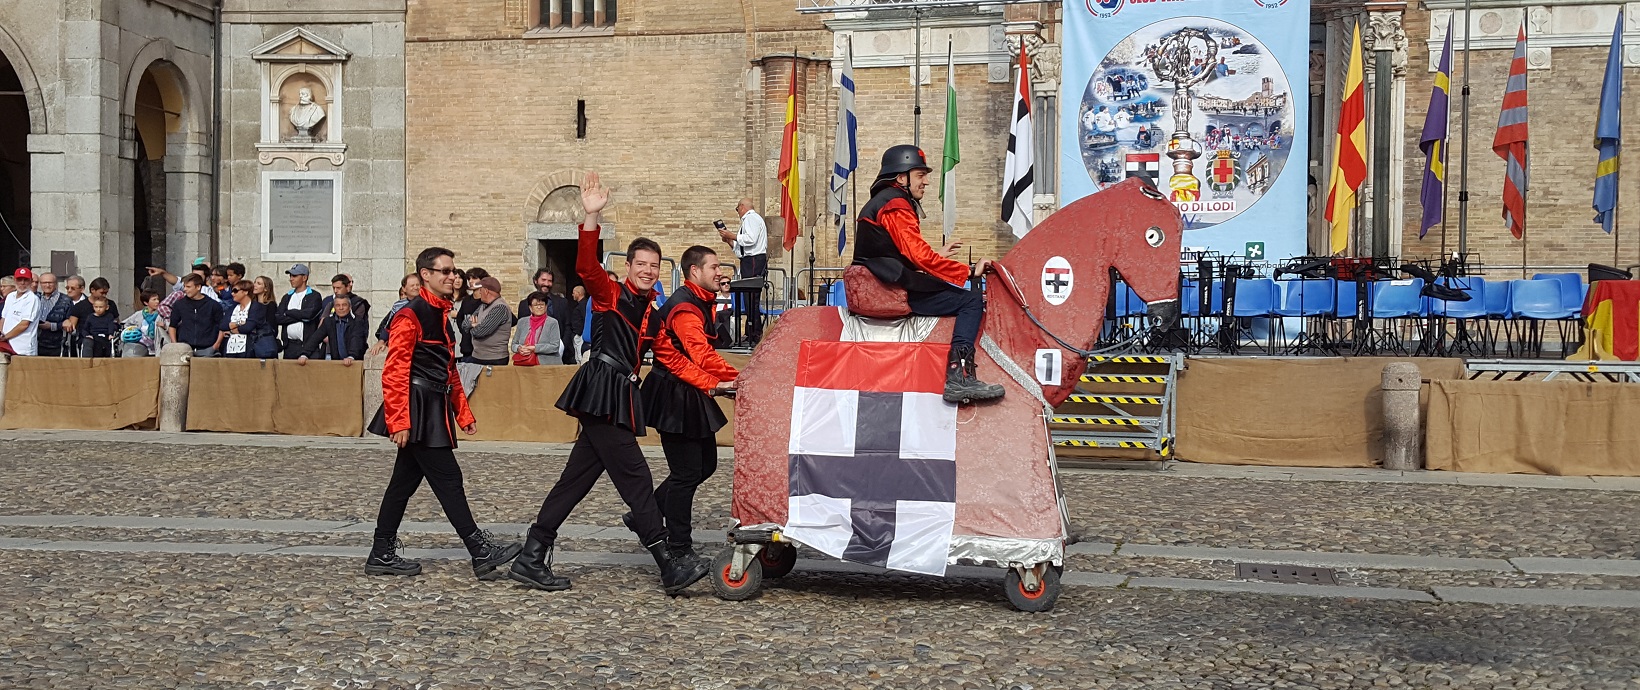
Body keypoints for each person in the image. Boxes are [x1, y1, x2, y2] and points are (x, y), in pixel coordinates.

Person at [510, 171, 708, 595]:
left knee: (576, 481)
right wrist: (590, 217)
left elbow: (670, 353)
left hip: (620, 392)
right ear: (628, 266)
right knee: (636, 477)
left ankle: (531, 554)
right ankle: (667, 563)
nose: (648, 271)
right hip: (601, 387)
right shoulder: (610, 293)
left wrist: (713, 381)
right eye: (641, 265)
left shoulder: (650, 310)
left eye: (654, 267)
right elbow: (584, 265)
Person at [364, 246, 521, 580]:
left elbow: (449, 370)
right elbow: (395, 371)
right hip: (417, 407)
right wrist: (399, 420)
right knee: (448, 478)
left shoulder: (442, 316)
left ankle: (381, 553)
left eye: (454, 271)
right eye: (446, 271)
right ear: (426, 275)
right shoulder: (411, 315)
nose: (454, 276)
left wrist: (463, 413)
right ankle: (480, 550)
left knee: (401, 485)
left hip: (433, 405)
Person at [853, 145, 1004, 404]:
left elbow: (902, 253)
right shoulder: (896, 204)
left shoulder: (887, 200)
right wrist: (967, 271)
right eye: (920, 175)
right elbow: (918, 256)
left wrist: (939, 257)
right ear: (902, 177)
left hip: (888, 281)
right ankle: (960, 377)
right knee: (970, 300)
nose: (927, 181)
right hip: (890, 288)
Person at [639, 245, 738, 561]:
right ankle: (679, 547)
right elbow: (701, 354)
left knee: (705, 464)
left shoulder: (698, 301)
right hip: (674, 393)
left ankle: (646, 514)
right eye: (714, 266)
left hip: (688, 390)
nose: (719, 272)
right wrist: (739, 378)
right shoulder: (685, 308)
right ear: (695, 271)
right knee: (685, 473)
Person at [719, 199, 767, 345]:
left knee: (751, 297)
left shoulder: (751, 218)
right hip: (749, 259)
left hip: (754, 260)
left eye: (737, 209)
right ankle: (750, 333)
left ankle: (754, 334)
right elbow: (742, 249)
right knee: (748, 297)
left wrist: (732, 235)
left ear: (742, 207)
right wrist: (729, 240)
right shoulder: (750, 220)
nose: (738, 212)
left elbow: (750, 240)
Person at [517, 268, 578, 365]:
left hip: (557, 354)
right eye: (543, 280)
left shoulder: (562, 302)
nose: (546, 283)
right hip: (531, 355)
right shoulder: (524, 304)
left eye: (549, 281)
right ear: (536, 281)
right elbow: (521, 330)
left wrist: (562, 344)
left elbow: (568, 325)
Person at [298, 293, 368, 364]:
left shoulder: (357, 322)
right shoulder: (329, 321)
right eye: (338, 305)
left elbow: (356, 340)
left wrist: (351, 356)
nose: (341, 308)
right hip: (337, 363)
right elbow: (315, 338)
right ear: (334, 308)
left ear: (350, 307)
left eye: (344, 305)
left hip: (355, 362)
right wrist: (304, 354)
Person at [167, 274, 225, 358]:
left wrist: (216, 345)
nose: (185, 289)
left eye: (188, 287)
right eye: (184, 286)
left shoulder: (213, 305)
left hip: (207, 349)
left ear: (198, 287)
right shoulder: (179, 304)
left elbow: (221, 327)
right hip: (184, 349)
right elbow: (172, 326)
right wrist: (175, 345)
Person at [460, 276, 512, 366]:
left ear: (486, 291)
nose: (479, 292)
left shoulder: (500, 308)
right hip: (477, 356)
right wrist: (474, 325)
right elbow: (464, 324)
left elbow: (480, 332)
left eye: (480, 289)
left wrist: (473, 326)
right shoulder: (482, 306)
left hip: (494, 359)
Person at [274, 264, 322, 359]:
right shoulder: (287, 296)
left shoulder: (314, 296)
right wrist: (300, 316)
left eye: (295, 276)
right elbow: (278, 318)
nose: (291, 279)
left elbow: (309, 315)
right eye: (290, 276)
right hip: (290, 346)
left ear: (304, 277)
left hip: (308, 345)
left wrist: (288, 312)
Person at [221, 280, 277, 359]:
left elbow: (248, 327)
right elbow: (223, 325)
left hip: (248, 349)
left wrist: (232, 328)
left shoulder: (257, 307)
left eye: (235, 291)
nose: (232, 294)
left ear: (245, 292)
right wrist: (240, 323)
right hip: (230, 349)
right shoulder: (232, 308)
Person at [65, 277, 116, 355]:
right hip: (88, 337)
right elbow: (71, 325)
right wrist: (67, 322)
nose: (104, 295)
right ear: (92, 290)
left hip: (106, 337)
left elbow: (116, 321)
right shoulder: (80, 306)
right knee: (88, 343)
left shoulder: (111, 304)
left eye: (106, 293)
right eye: (102, 293)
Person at [373, 273, 421, 355]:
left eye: (418, 285)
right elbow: (389, 326)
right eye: (412, 285)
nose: (415, 288)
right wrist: (381, 341)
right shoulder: (398, 306)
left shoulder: (427, 303)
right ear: (404, 288)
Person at [510, 291, 563, 365]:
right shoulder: (522, 322)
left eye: (542, 305)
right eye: (536, 305)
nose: (539, 307)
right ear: (530, 308)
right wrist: (519, 348)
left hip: (547, 364)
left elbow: (554, 346)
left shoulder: (552, 322)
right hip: (524, 364)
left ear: (546, 306)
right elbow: (513, 345)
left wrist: (535, 348)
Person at [0, 268, 40, 355]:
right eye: (19, 280)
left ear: (31, 281)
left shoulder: (32, 299)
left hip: (23, 347)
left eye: (26, 280)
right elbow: (3, 318)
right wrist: (1, 334)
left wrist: (5, 337)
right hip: (6, 346)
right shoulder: (10, 296)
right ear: (15, 280)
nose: (22, 283)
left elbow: (24, 324)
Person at [33, 272, 72, 357]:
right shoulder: (34, 298)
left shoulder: (66, 300)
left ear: (56, 284)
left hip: (57, 345)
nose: (47, 285)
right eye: (44, 283)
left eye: (50, 282)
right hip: (36, 344)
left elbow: (69, 324)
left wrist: (52, 326)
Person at [120, 291, 168, 357]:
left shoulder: (162, 314)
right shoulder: (138, 314)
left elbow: (170, 327)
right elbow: (125, 324)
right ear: (146, 302)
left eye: (157, 299)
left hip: (157, 349)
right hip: (140, 349)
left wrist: (164, 326)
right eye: (154, 299)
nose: (157, 302)